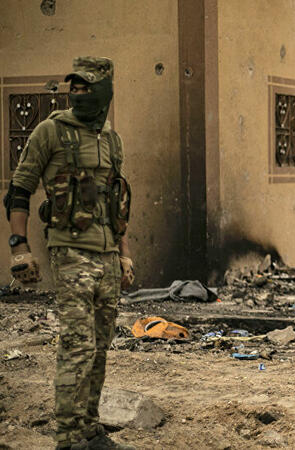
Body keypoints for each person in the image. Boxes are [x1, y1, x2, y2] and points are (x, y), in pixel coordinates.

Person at [4, 57, 135, 450]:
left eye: (86, 87)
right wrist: (19, 247)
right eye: (73, 87)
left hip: (108, 256)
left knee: (100, 348)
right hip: (71, 254)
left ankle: (89, 430)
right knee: (77, 346)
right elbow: (19, 190)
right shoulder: (50, 131)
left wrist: (125, 255)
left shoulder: (112, 140)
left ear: (104, 91)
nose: (77, 94)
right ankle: (67, 437)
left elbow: (117, 203)